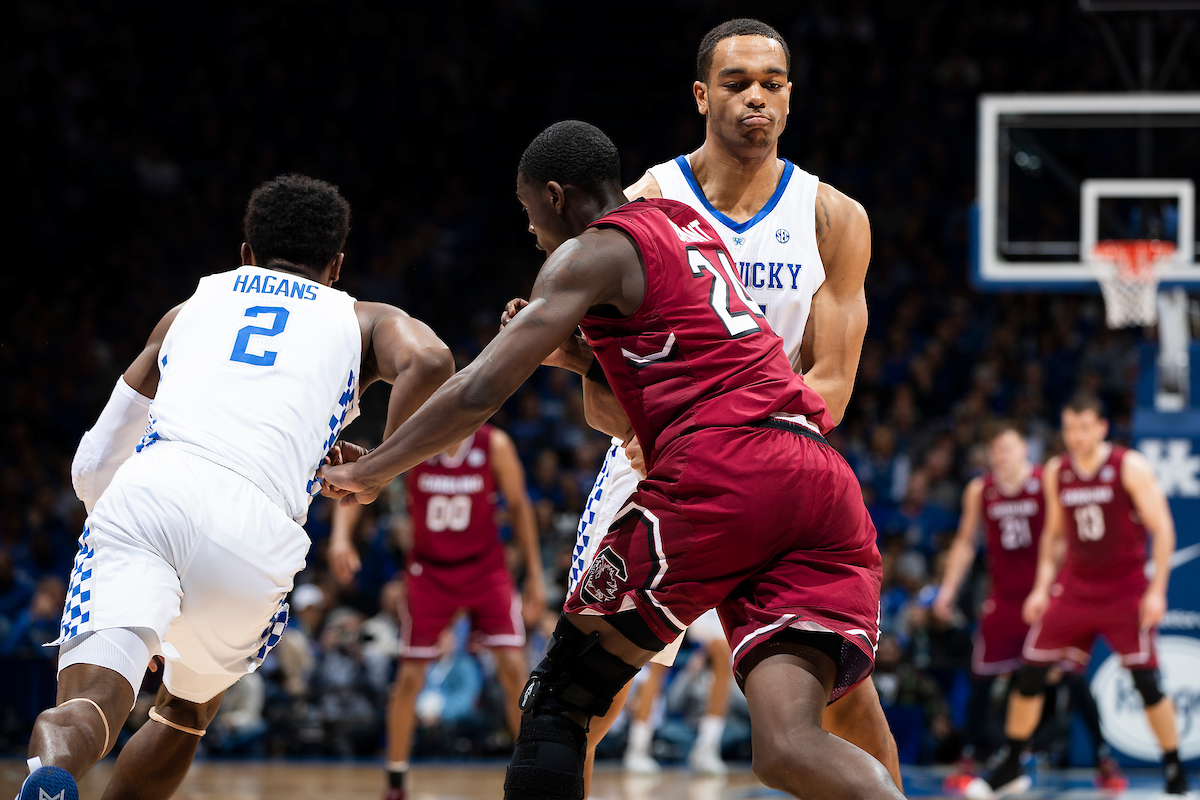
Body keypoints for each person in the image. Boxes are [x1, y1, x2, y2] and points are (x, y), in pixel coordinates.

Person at [320, 120, 903, 800]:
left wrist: (374, 468)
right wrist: (577, 357)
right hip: (814, 470)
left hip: (725, 468)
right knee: (787, 744)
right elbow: (636, 403)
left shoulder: (586, 255)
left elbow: (479, 389)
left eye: (528, 210)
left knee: (561, 699)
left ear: (555, 195)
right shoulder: (686, 226)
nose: (530, 230)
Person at [519, 19, 899, 793]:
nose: (755, 97)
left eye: (772, 83)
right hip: (653, 470)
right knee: (584, 698)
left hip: (772, 462)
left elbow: (833, 385)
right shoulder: (651, 200)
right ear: (701, 95)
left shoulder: (834, 218)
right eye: (736, 83)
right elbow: (606, 396)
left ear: (790, 98)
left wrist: (737, 433)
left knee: (847, 699)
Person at [18, 174, 454, 800]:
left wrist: (123, 539)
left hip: (159, 488)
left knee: (91, 699)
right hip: (260, 529)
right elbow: (433, 361)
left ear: (245, 255)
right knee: (186, 712)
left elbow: (92, 463)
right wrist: (377, 469)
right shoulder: (363, 318)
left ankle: (50, 781)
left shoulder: (190, 309)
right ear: (335, 266)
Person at [967, 394, 1190, 798]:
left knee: (1145, 680)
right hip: (1075, 587)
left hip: (1124, 589)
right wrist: (1042, 587)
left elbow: (1165, 529)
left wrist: (1157, 591)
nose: (1075, 436)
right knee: (1032, 670)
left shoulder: (1129, 466)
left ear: (1102, 428)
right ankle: (1012, 764)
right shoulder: (1058, 471)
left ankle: (1173, 766)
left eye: (1084, 427)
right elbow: (1053, 536)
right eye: (1069, 428)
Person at [329, 426, 545, 800]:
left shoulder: (494, 443)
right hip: (429, 572)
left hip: (484, 567)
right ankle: (395, 783)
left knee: (513, 667)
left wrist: (535, 575)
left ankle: (527, 776)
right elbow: (365, 476)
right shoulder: (417, 438)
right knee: (410, 676)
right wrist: (340, 537)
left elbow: (520, 505)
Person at [935, 422, 1121, 790]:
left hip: (1045, 596)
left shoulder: (1045, 481)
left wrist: (1062, 590)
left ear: (1025, 450)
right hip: (1003, 600)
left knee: (1070, 675)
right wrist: (948, 590)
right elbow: (965, 543)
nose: (1002, 457)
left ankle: (1103, 759)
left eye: (1008, 448)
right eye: (996, 451)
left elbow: (1065, 538)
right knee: (983, 677)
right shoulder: (981, 490)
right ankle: (969, 758)